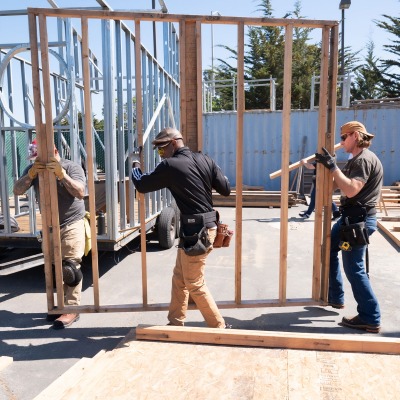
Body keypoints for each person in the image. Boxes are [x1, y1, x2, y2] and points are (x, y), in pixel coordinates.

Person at [131, 127, 231, 329]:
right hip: (201, 228)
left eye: (162, 149)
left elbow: (141, 184)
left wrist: (134, 163)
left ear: (174, 143)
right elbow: (226, 189)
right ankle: (176, 323)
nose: (160, 153)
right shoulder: (206, 160)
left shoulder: (170, 165)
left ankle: (219, 327)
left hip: (197, 232)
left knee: (194, 282)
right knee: (180, 278)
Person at [315, 121, 383, 333]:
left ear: (355, 136)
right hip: (349, 220)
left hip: (357, 223)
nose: (341, 141)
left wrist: (333, 167)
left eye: (343, 137)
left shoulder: (363, 160)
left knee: (354, 268)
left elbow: (351, 190)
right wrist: (323, 168)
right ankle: (336, 297)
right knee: (329, 249)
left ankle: (370, 317)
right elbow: (338, 183)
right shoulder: (355, 159)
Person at [13, 139, 87, 329]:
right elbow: (17, 189)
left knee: (70, 266)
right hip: (49, 226)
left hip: (72, 222)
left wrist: (61, 175)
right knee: (55, 268)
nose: (37, 160)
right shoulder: (34, 168)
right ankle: (60, 306)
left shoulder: (71, 167)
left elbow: (80, 192)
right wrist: (31, 173)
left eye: (39, 157)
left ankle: (72, 309)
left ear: (53, 150)